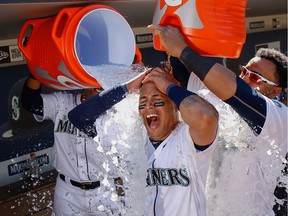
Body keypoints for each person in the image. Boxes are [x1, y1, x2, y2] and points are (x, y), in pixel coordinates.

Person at [148, 24, 288, 215]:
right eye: (245, 71)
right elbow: (181, 64)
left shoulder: (279, 117)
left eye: (255, 78)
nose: (245, 78)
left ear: (274, 91)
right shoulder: (218, 100)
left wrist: (183, 51)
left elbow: (238, 92)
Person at [68, 66, 219, 215]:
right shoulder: (131, 139)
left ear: (175, 106)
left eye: (157, 100)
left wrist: (169, 87)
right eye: (143, 101)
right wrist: (126, 88)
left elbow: (207, 117)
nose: (149, 107)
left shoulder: (188, 138)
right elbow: (79, 118)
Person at [21, 75, 122, 215]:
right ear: (83, 81)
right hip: (68, 192)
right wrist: (36, 71)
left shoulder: (117, 112)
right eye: (93, 77)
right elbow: (30, 102)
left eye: (102, 77)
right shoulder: (62, 102)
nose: (98, 83)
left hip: (104, 191)